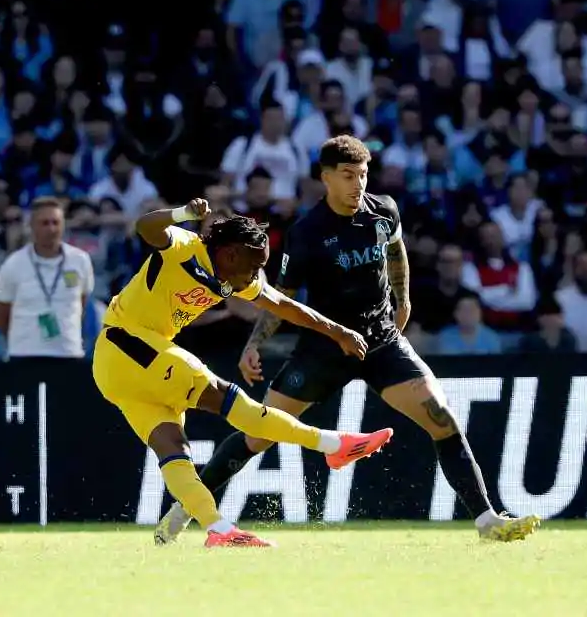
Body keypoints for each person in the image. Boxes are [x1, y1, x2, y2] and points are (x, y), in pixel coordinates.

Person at [156, 136, 540, 544]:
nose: (358, 184)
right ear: (326, 178)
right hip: (325, 347)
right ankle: (184, 509)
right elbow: (281, 297)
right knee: (258, 434)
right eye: (348, 176)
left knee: (441, 417)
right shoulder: (307, 233)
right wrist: (255, 343)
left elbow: (396, 252)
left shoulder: (384, 211)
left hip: (381, 341)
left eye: (363, 175)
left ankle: (487, 520)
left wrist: (403, 297)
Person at [93, 199, 392, 549]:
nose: (256, 275)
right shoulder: (185, 247)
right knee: (227, 399)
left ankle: (218, 530)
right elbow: (145, 227)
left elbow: (283, 306)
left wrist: (336, 331)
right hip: (128, 343)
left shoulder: (233, 278)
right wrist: (183, 215)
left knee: (174, 450)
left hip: (117, 370)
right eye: (255, 265)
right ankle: (334, 444)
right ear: (231, 254)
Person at [0, 197, 95, 359]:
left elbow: (82, 304)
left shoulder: (80, 260)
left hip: (68, 353)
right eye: (45, 223)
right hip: (24, 354)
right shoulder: (13, 264)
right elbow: (2, 314)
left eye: (56, 223)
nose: (51, 229)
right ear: (32, 226)